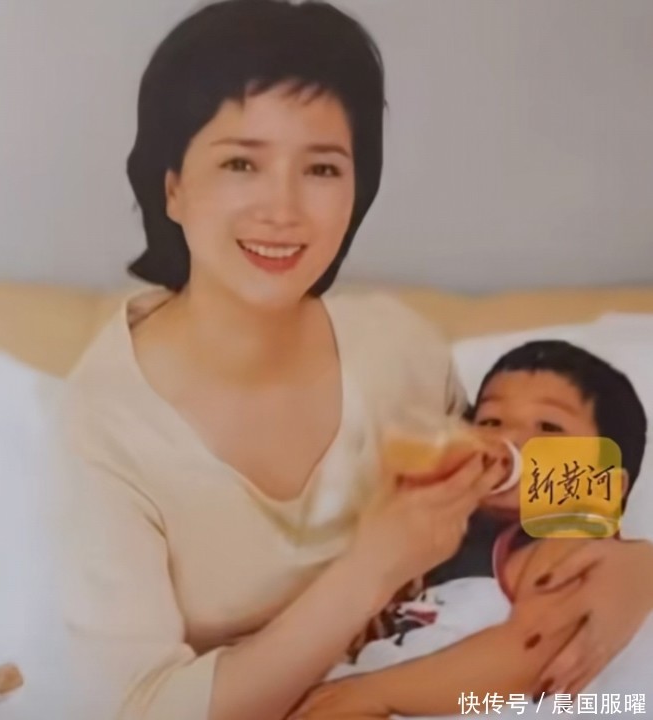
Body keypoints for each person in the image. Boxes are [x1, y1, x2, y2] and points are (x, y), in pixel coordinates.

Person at [59, 2, 653, 719]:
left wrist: (636, 569)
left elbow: (514, 485)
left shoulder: (398, 352)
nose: (283, 209)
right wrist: (372, 568)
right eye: (241, 162)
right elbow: (142, 709)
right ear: (173, 185)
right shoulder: (99, 430)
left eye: (321, 168)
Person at [290, 340, 651, 719]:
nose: (508, 439)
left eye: (549, 427)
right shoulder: (435, 536)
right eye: (490, 422)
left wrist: (371, 693)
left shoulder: (573, 542)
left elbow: (528, 653)